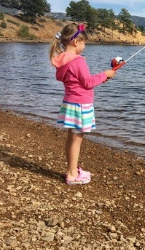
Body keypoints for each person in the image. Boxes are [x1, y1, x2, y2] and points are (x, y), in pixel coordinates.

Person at [49, 23, 116, 185]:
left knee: (72, 139)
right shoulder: (77, 61)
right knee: (77, 140)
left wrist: (100, 78)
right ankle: (72, 174)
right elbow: (87, 82)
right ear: (76, 42)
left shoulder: (63, 60)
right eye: (84, 43)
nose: (85, 47)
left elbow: (81, 81)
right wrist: (105, 74)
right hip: (80, 105)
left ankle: (71, 169)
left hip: (70, 103)